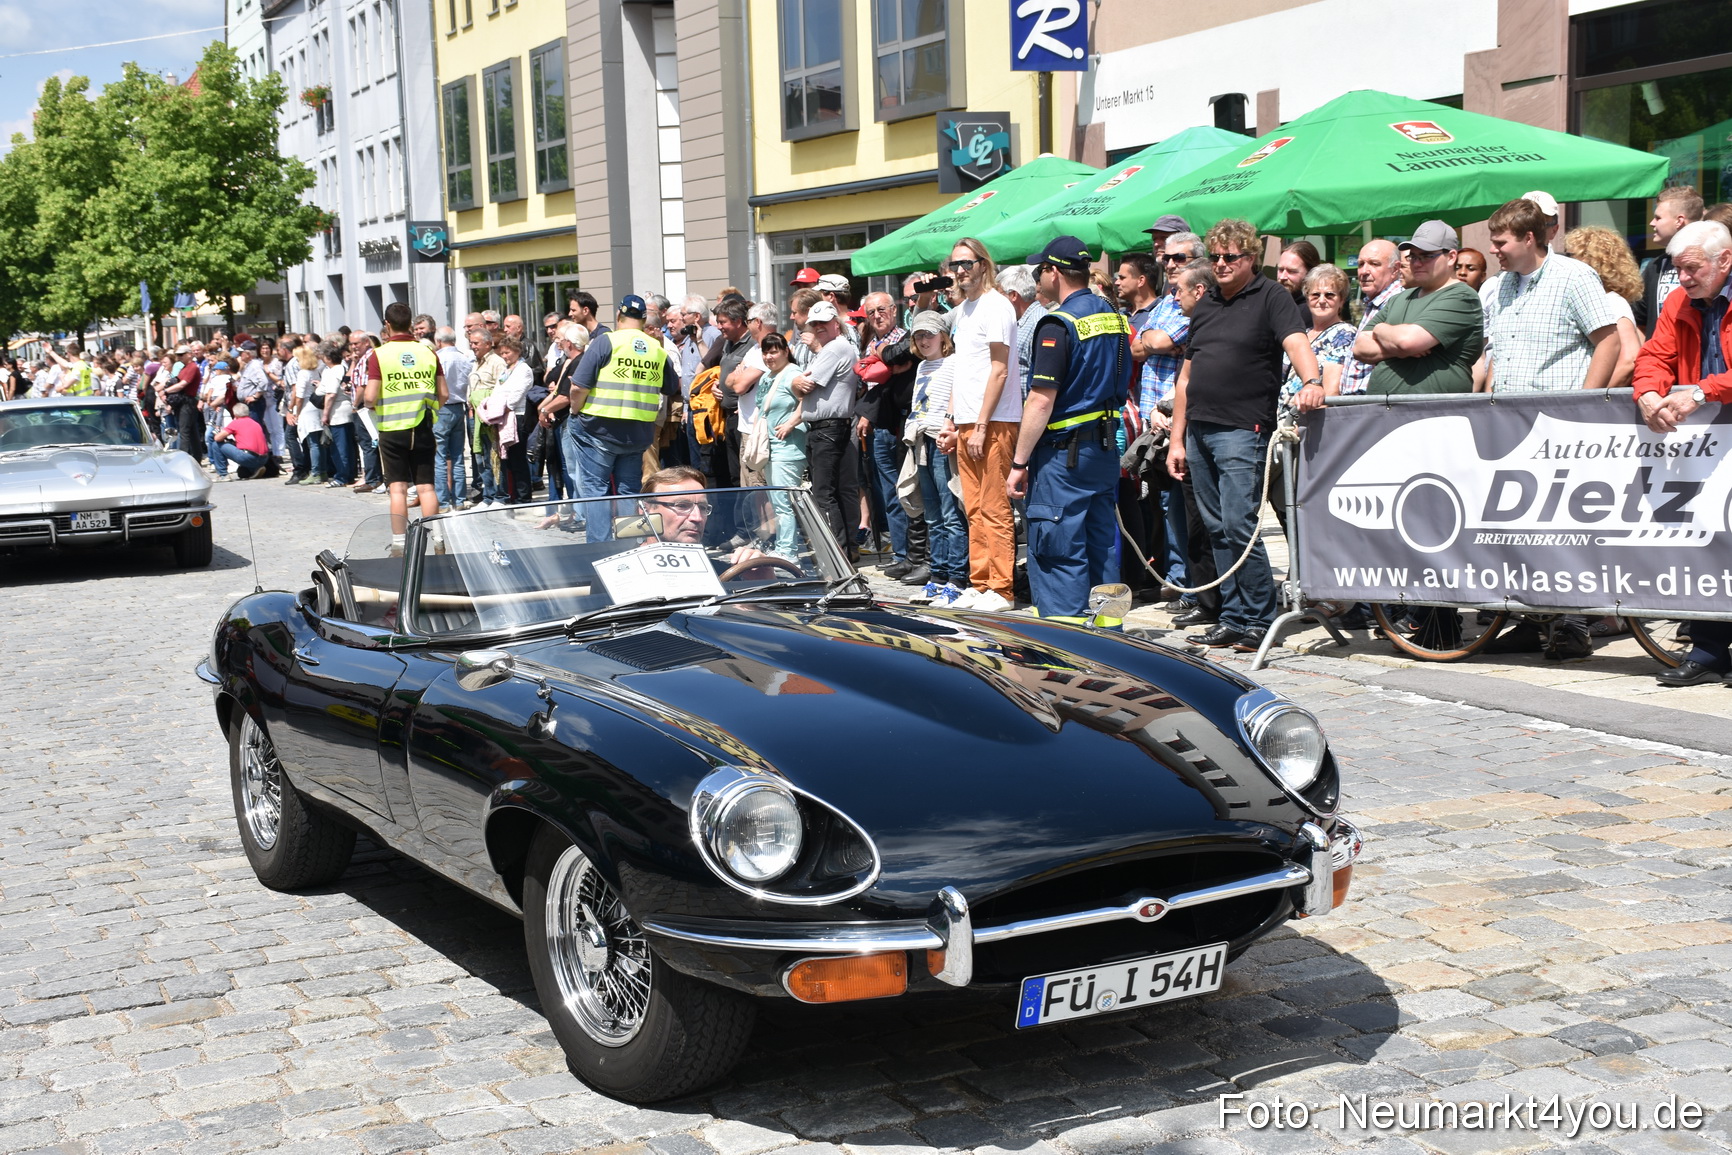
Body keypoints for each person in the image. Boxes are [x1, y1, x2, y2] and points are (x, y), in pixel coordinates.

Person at [1167, 219, 1320, 653]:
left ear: (1251, 257)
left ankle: (1259, 616)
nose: (1220, 264)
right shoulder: (1209, 301)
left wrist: (1311, 381)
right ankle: (1233, 616)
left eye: (1229, 257)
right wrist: (1177, 440)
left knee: (1239, 525)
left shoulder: (1270, 296)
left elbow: (1296, 342)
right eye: (1214, 257)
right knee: (1215, 528)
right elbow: (1185, 377)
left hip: (1242, 428)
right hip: (1198, 428)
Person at [1479, 198, 1622, 660]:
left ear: (1528, 237)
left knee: (1564, 531)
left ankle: (1572, 624)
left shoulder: (1573, 277)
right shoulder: (1499, 287)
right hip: (1512, 426)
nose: (1494, 250)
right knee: (1520, 531)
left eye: (1500, 242)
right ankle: (1530, 621)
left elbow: (1609, 340)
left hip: (1562, 427)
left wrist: (1583, 404)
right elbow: (1496, 354)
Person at [1007, 236, 1134, 624]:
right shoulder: (1112, 316)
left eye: (1039, 270)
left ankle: (1066, 646)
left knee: (1059, 545)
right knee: (1100, 544)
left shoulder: (1058, 323)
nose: (1037, 278)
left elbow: (1041, 400)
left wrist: (1019, 461)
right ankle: (1110, 632)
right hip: (1103, 448)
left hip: (1065, 455)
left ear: (1053, 272)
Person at [1631, 219, 1732, 686]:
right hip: (1710, 441)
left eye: (1691, 269)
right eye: (1677, 269)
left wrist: (1705, 391)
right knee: (1708, 539)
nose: (1683, 279)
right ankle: (1709, 652)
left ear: (1724, 260)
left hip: (1714, 418)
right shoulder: (1677, 300)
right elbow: (1654, 355)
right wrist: (1648, 392)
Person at [942, 237, 1023, 611]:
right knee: (972, 506)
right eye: (955, 264)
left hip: (994, 419)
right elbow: (962, 370)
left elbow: (1000, 369)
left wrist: (980, 425)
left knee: (994, 505)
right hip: (969, 419)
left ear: (983, 264)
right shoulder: (965, 310)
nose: (960, 271)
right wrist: (953, 420)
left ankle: (1002, 587)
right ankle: (981, 581)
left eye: (967, 263)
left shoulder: (997, 305)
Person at [563, 295, 680, 540]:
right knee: (628, 490)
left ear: (619, 316)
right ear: (644, 319)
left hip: (599, 431)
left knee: (596, 490)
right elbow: (672, 387)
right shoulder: (656, 350)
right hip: (637, 435)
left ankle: (600, 548)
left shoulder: (607, 342)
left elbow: (578, 387)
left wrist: (575, 412)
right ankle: (631, 544)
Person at [1356, 222, 1485, 396]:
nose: (1417, 263)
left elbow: (1408, 341)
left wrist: (1380, 330)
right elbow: (1360, 347)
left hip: (1431, 414)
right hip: (1383, 412)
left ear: (1451, 257)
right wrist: (1398, 348)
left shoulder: (1462, 296)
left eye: (1426, 256)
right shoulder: (1400, 298)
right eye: (1413, 257)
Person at [364, 303, 448, 541]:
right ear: (410, 324)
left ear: (387, 324)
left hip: (391, 430)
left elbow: (370, 397)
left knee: (398, 489)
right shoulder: (428, 353)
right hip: (421, 426)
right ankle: (437, 537)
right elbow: (443, 394)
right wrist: (430, 407)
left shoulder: (379, 355)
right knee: (426, 487)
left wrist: (374, 405)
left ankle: (399, 541)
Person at [789, 300, 861, 555]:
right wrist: (797, 383)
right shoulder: (837, 348)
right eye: (815, 324)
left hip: (826, 429)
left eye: (823, 322)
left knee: (824, 494)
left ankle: (836, 552)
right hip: (832, 427)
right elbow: (799, 385)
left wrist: (796, 382)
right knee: (839, 491)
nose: (818, 327)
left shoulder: (833, 349)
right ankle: (847, 549)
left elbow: (804, 384)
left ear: (835, 322)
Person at [1563, 225, 1645, 391]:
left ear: (1594, 260)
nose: (1565, 261)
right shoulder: (1597, 300)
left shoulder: (1611, 302)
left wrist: (1590, 396)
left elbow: (1630, 359)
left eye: (1571, 255)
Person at [753, 333, 807, 557]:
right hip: (771, 448)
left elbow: (809, 400)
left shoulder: (792, 374)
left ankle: (788, 552)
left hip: (787, 448)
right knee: (777, 502)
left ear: (786, 351)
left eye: (774, 351)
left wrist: (790, 424)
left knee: (785, 503)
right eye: (765, 352)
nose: (769, 356)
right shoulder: (768, 376)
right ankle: (784, 547)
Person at [1636, 185, 1704, 338]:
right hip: (1660, 358)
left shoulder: (1710, 264)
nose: (1652, 223)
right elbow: (1640, 320)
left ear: (1679, 221)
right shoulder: (1655, 266)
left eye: (1658, 218)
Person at [1338, 240, 1404, 396]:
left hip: (1374, 404)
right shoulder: (1374, 302)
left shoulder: (1398, 302)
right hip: (1357, 403)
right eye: (1361, 264)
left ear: (1395, 269)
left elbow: (1404, 346)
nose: (1364, 271)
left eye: (1374, 264)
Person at [433, 326, 475, 512]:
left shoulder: (438, 358)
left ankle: (442, 502)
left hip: (442, 407)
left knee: (440, 456)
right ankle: (459, 500)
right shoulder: (463, 358)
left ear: (439, 341)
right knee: (458, 456)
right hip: (459, 407)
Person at [209, 402, 270, 480]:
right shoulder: (255, 423)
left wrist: (219, 433)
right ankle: (255, 469)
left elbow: (217, 438)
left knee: (216, 445)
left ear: (235, 414)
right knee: (242, 471)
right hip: (264, 458)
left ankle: (223, 474)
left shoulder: (236, 423)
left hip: (248, 456)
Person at [1276, 241, 1322, 305]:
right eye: (1281, 270)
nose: (1282, 277)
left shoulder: (1313, 311)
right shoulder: (1276, 303)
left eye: (1291, 271)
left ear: (1310, 273)